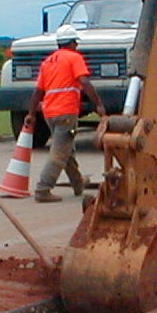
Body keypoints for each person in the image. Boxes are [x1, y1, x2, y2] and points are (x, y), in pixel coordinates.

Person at [25, 26, 106, 203]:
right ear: (72, 43)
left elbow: (38, 91)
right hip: (66, 113)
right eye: (76, 43)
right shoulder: (74, 58)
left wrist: (31, 113)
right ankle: (43, 189)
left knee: (66, 149)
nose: (77, 46)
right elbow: (84, 81)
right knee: (59, 153)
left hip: (50, 113)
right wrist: (98, 104)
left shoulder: (48, 62)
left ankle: (78, 184)